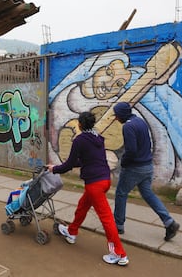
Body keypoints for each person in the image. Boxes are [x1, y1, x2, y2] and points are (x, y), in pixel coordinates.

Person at [47, 111, 129, 266]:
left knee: (106, 219)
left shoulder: (80, 140)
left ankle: (119, 254)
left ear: (79, 124)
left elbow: (70, 164)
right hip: (105, 179)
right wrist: (59, 167)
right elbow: (86, 160)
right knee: (82, 206)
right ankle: (71, 232)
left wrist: (54, 169)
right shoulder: (98, 137)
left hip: (95, 184)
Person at [112, 102, 180, 241]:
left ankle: (118, 225)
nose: (115, 118)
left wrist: (124, 163)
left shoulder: (128, 127)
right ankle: (169, 222)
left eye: (117, 115)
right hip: (147, 166)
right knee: (148, 194)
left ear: (122, 115)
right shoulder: (140, 121)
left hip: (134, 168)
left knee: (121, 193)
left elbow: (131, 150)